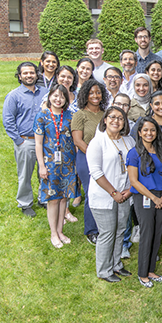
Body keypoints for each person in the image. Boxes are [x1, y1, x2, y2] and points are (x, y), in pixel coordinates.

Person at [86, 106, 135, 282]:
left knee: (120, 230)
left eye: (120, 118)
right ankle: (104, 270)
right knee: (107, 232)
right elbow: (96, 172)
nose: (116, 121)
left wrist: (129, 191)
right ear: (105, 120)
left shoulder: (129, 141)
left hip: (125, 195)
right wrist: (113, 192)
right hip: (104, 196)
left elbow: (134, 167)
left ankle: (116, 264)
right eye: (112, 117)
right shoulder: (97, 142)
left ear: (124, 122)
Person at [127, 117, 162, 287]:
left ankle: (151, 270)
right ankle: (142, 273)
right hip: (144, 196)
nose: (149, 133)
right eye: (145, 130)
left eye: (152, 130)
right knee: (147, 232)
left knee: (158, 232)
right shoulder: (134, 153)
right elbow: (134, 181)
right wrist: (154, 198)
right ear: (139, 132)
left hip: (161, 196)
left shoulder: (161, 151)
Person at [34, 84, 79, 247]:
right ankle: (53, 233)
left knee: (63, 198)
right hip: (50, 164)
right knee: (53, 199)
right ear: (49, 96)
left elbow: (74, 140)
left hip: (67, 163)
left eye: (62, 96)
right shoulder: (42, 116)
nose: (58, 99)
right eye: (55, 95)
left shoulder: (70, 116)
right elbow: (38, 144)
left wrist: (76, 164)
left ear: (66, 99)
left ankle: (60, 230)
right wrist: (41, 166)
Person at [3, 62, 49, 216]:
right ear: (20, 76)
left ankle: (44, 199)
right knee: (25, 173)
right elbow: (8, 121)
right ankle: (25, 203)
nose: (29, 75)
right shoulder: (14, 95)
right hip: (26, 140)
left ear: (37, 74)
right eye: (25, 73)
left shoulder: (45, 92)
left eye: (32, 73)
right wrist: (19, 141)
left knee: (45, 172)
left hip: (45, 140)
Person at [71, 79, 109, 244]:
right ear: (85, 95)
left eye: (98, 92)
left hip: (106, 158)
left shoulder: (105, 114)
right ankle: (91, 230)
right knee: (92, 193)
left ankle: (105, 227)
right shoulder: (80, 115)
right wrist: (94, 155)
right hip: (86, 159)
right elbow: (78, 141)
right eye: (91, 92)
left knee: (105, 192)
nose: (95, 95)